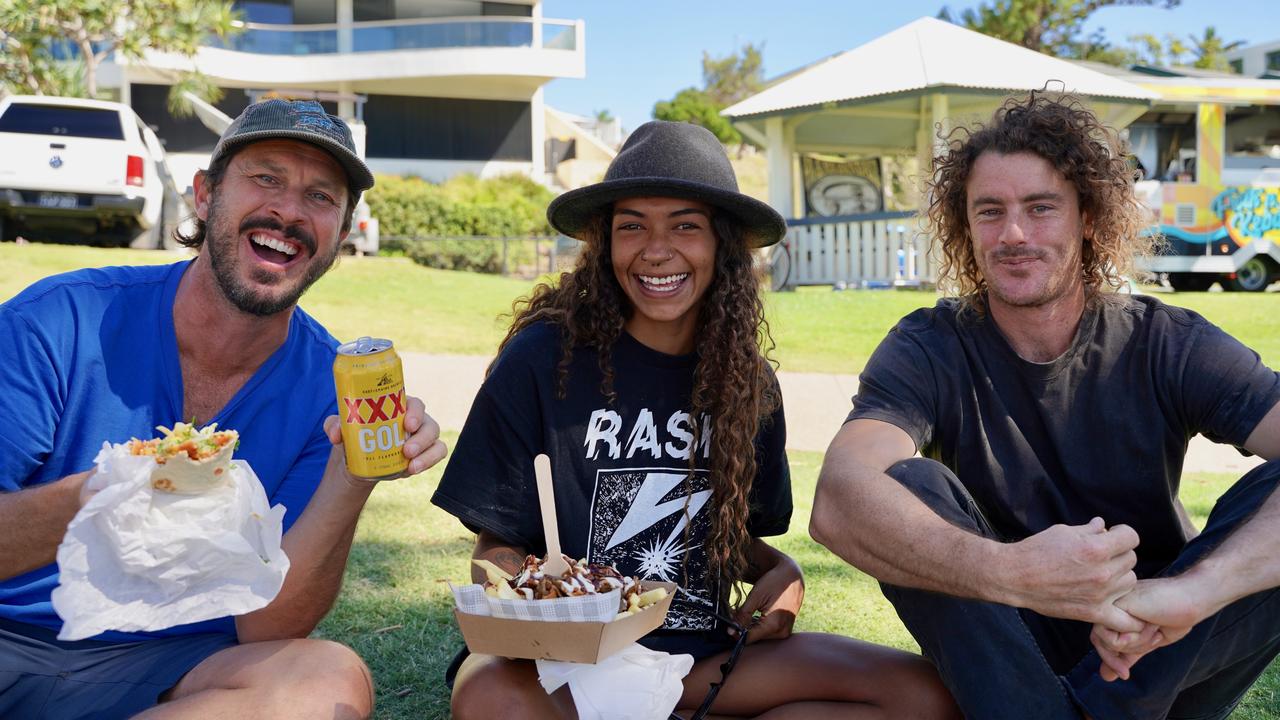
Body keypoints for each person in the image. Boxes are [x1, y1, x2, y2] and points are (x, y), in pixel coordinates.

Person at [431, 120, 959, 719]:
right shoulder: (542, 360)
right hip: (564, 664)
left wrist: (780, 570)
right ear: (605, 243)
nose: (657, 250)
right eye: (632, 226)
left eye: (686, 225)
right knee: (486, 697)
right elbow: (493, 549)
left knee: (925, 696)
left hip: (697, 661)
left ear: (724, 246)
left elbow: (728, 541)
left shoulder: (747, 382)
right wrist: (554, 603)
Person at [810, 89, 1280, 720]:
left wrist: (1194, 594)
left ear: (1088, 218)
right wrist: (1012, 573)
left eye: (1041, 207)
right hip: (1004, 651)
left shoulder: (1168, 342)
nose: (1013, 234)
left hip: (1157, 650)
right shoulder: (930, 344)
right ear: (964, 226)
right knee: (906, 482)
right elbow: (840, 496)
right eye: (989, 211)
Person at [0, 99, 447, 720]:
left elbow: (268, 625)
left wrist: (353, 477)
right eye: (265, 178)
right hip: (10, 637)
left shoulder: (331, 388)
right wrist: (101, 495)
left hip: (168, 670)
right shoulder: (57, 322)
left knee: (327, 679)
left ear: (340, 237)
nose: (289, 211)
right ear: (206, 196)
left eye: (320, 197)